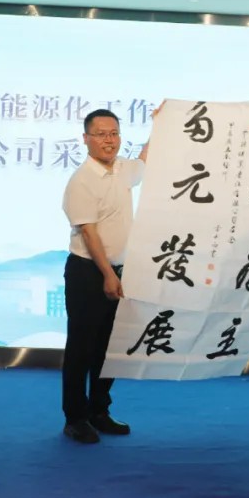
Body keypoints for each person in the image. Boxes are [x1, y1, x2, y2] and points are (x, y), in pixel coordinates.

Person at [61, 108, 152, 444]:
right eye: (100, 134)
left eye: (113, 133)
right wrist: (108, 275)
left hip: (119, 271)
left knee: (107, 349)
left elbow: (146, 159)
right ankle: (75, 418)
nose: (108, 140)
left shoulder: (123, 169)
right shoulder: (81, 181)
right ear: (86, 139)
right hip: (88, 273)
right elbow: (89, 234)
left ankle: (99, 411)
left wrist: (163, 122)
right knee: (81, 349)